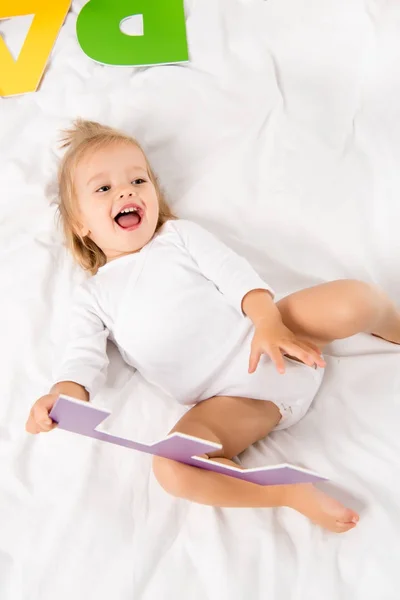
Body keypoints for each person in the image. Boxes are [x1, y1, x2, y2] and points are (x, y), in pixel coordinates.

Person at [25, 119, 400, 533]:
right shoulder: (93, 296)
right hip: (233, 401)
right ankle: (283, 492)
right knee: (171, 467)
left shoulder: (178, 237)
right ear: (81, 225)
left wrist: (270, 324)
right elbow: (82, 357)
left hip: (276, 332)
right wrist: (60, 398)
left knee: (355, 298)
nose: (127, 191)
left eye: (138, 179)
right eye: (104, 188)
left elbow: (237, 277)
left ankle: (393, 324)